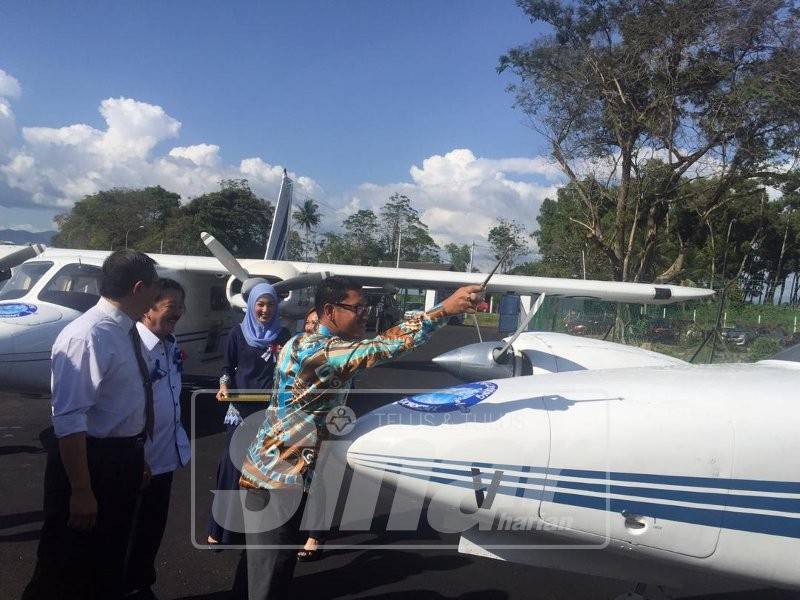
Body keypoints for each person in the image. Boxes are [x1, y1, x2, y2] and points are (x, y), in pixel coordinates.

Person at [233, 276, 482, 599]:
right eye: (357, 308)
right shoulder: (324, 353)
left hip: (270, 472)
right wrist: (444, 310)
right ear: (329, 311)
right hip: (280, 480)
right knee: (268, 578)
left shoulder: (298, 342)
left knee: (256, 569)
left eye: (367, 306)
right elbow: (384, 347)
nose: (365, 314)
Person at [23, 250, 159, 600]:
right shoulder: (88, 336)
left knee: (106, 561)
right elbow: (69, 418)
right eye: (153, 289)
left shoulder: (125, 332)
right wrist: (82, 490)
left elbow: (122, 405)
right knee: (63, 567)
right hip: (92, 463)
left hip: (121, 460)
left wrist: (136, 455)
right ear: (138, 287)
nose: (155, 297)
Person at [207, 282, 291, 546]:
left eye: (271, 304)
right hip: (241, 409)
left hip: (271, 411)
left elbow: (289, 369)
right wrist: (223, 385)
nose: (265, 310)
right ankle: (219, 528)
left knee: (267, 469)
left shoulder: (284, 334)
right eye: (261, 304)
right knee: (232, 468)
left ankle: (258, 527)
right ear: (252, 304)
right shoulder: (237, 333)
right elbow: (227, 367)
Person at [125, 278, 191, 599]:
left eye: (181, 306)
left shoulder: (170, 343)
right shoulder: (132, 347)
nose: (178, 312)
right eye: (171, 306)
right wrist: (136, 457)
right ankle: (124, 586)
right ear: (148, 308)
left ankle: (141, 583)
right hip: (140, 459)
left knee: (153, 527)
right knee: (130, 530)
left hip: (164, 455)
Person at [296, 308, 324, 562]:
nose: (311, 326)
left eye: (317, 323)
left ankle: (314, 536)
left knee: (317, 483)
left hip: (322, 430)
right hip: (296, 429)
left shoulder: (333, 354)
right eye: (308, 322)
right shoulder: (293, 348)